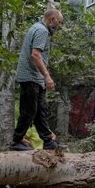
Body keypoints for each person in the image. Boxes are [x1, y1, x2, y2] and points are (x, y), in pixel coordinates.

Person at [10, 8, 63, 151]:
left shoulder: (37, 27)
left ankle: (48, 141)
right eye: (59, 22)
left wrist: (44, 75)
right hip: (30, 77)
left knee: (41, 110)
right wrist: (47, 77)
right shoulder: (42, 31)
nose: (59, 26)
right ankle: (16, 141)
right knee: (29, 109)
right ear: (52, 19)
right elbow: (35, 55)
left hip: (35, 78)